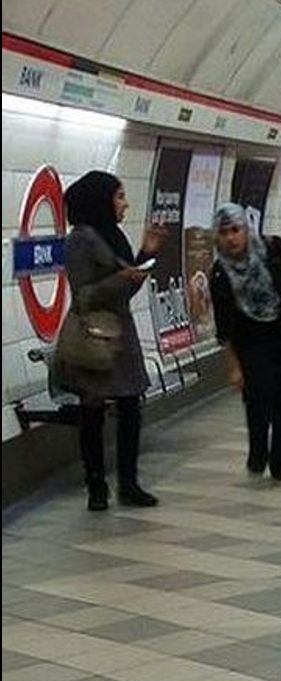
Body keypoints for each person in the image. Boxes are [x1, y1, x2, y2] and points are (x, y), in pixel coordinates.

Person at [51, 171, 164, 510]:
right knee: (93, 411)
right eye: (118, 196)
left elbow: (128, 286)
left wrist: (146, 252)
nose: (125, 203)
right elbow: (84, 296)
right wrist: (120, 278)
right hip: (95, 337)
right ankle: (96, 487)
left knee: (131, 407)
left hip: (122, 336)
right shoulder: (80, 240)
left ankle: (129, 484)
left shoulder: (112, 236)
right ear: (100, 200)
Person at [210, 203, 281, 481]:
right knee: (258, 402)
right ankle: (258, 451)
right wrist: (234, 367)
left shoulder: (275, 250)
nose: (231, 238)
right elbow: (224, 327)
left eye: (236, 230)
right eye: (224, 232)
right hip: (253, 344)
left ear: (247, 230)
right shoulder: (220, 273)